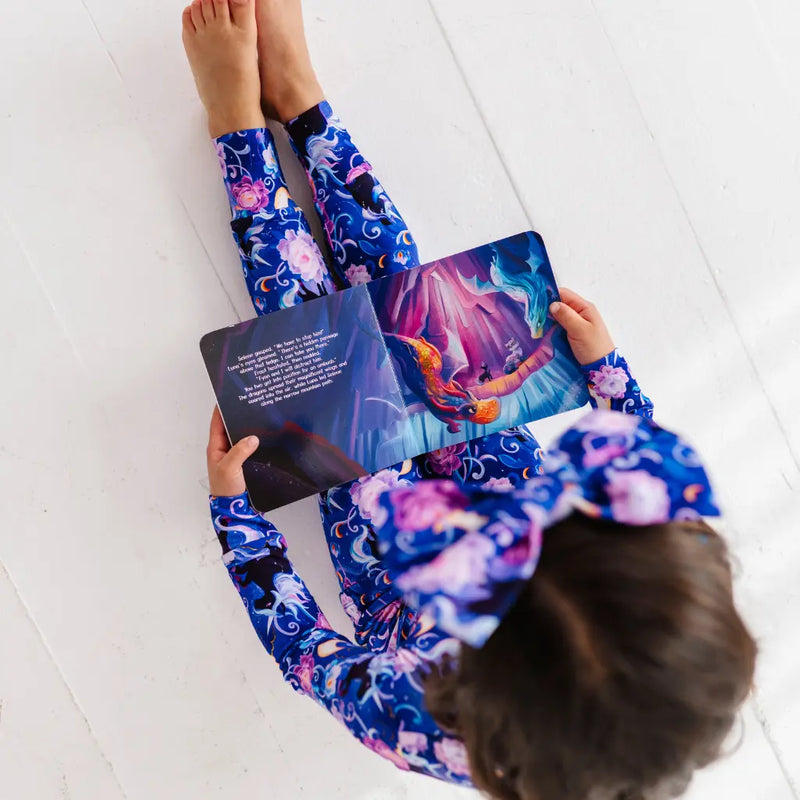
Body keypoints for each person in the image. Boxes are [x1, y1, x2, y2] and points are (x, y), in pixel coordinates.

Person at [184, 2, 757, 798]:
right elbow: (646, 481)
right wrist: (606, 373)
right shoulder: (666, 593)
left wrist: (236, 516)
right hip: (498, 463)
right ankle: (301, 101)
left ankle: (241, 133)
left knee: (312, 348)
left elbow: (307, 653)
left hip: (386, 556)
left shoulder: (424, 724)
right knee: (413, 303)